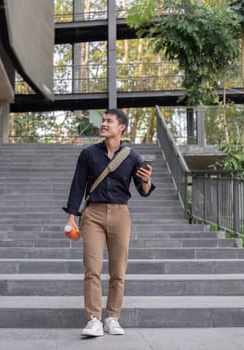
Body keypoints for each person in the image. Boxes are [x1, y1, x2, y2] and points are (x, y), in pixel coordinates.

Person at [63, 108, 155, 337]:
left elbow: (143, 191)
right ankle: (93, 319)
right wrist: (71, 218)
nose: (103, 124)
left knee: (118, 270)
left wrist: (146, 181)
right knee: (92, 268)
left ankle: (112, 317)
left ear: (121, 127)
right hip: (92, 215)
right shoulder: (88, 154)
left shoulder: (133, 157)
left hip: (120, 214)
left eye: (108, 121)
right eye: (103, 121)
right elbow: (77, 186)